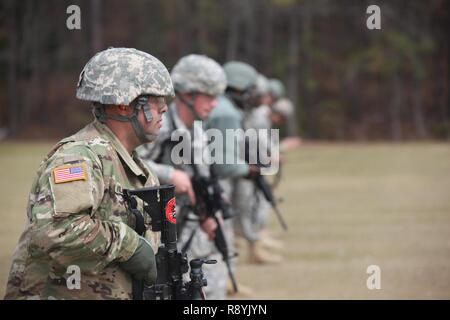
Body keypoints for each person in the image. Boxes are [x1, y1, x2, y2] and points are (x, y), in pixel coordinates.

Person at [4, 47, 174, 300]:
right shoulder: (78, 157)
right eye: (156, 100)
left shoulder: (139, 170)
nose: (164, 109)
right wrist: (130, 245)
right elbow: (57, 231)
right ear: (123, 105)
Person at [137, 54, 229, 299]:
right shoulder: (160, 126)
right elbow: (126, 162)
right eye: (209, 96)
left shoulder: (197, 130)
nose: (215, 104)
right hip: (157, 230)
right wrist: (169, 174)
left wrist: (206, 214)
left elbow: (199, 178)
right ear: (187, 94)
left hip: (188, 225)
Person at [268, 78, 302, 151]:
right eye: (282, 118)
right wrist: (285, 145)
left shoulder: (267, 119)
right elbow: (264, 149)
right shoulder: (261, 116)